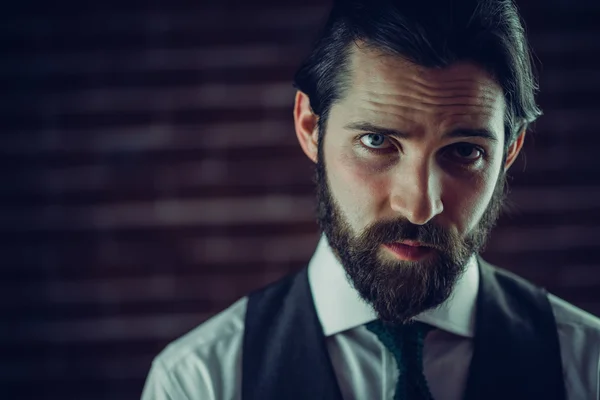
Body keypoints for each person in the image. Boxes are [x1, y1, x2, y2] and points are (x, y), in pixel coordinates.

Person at [142, 0, 600, 398]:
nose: (419, 206)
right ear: (310, 127)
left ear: (510, 152)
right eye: (378, 141)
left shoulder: (588, 370)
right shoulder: (199, 383)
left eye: (465, 151)